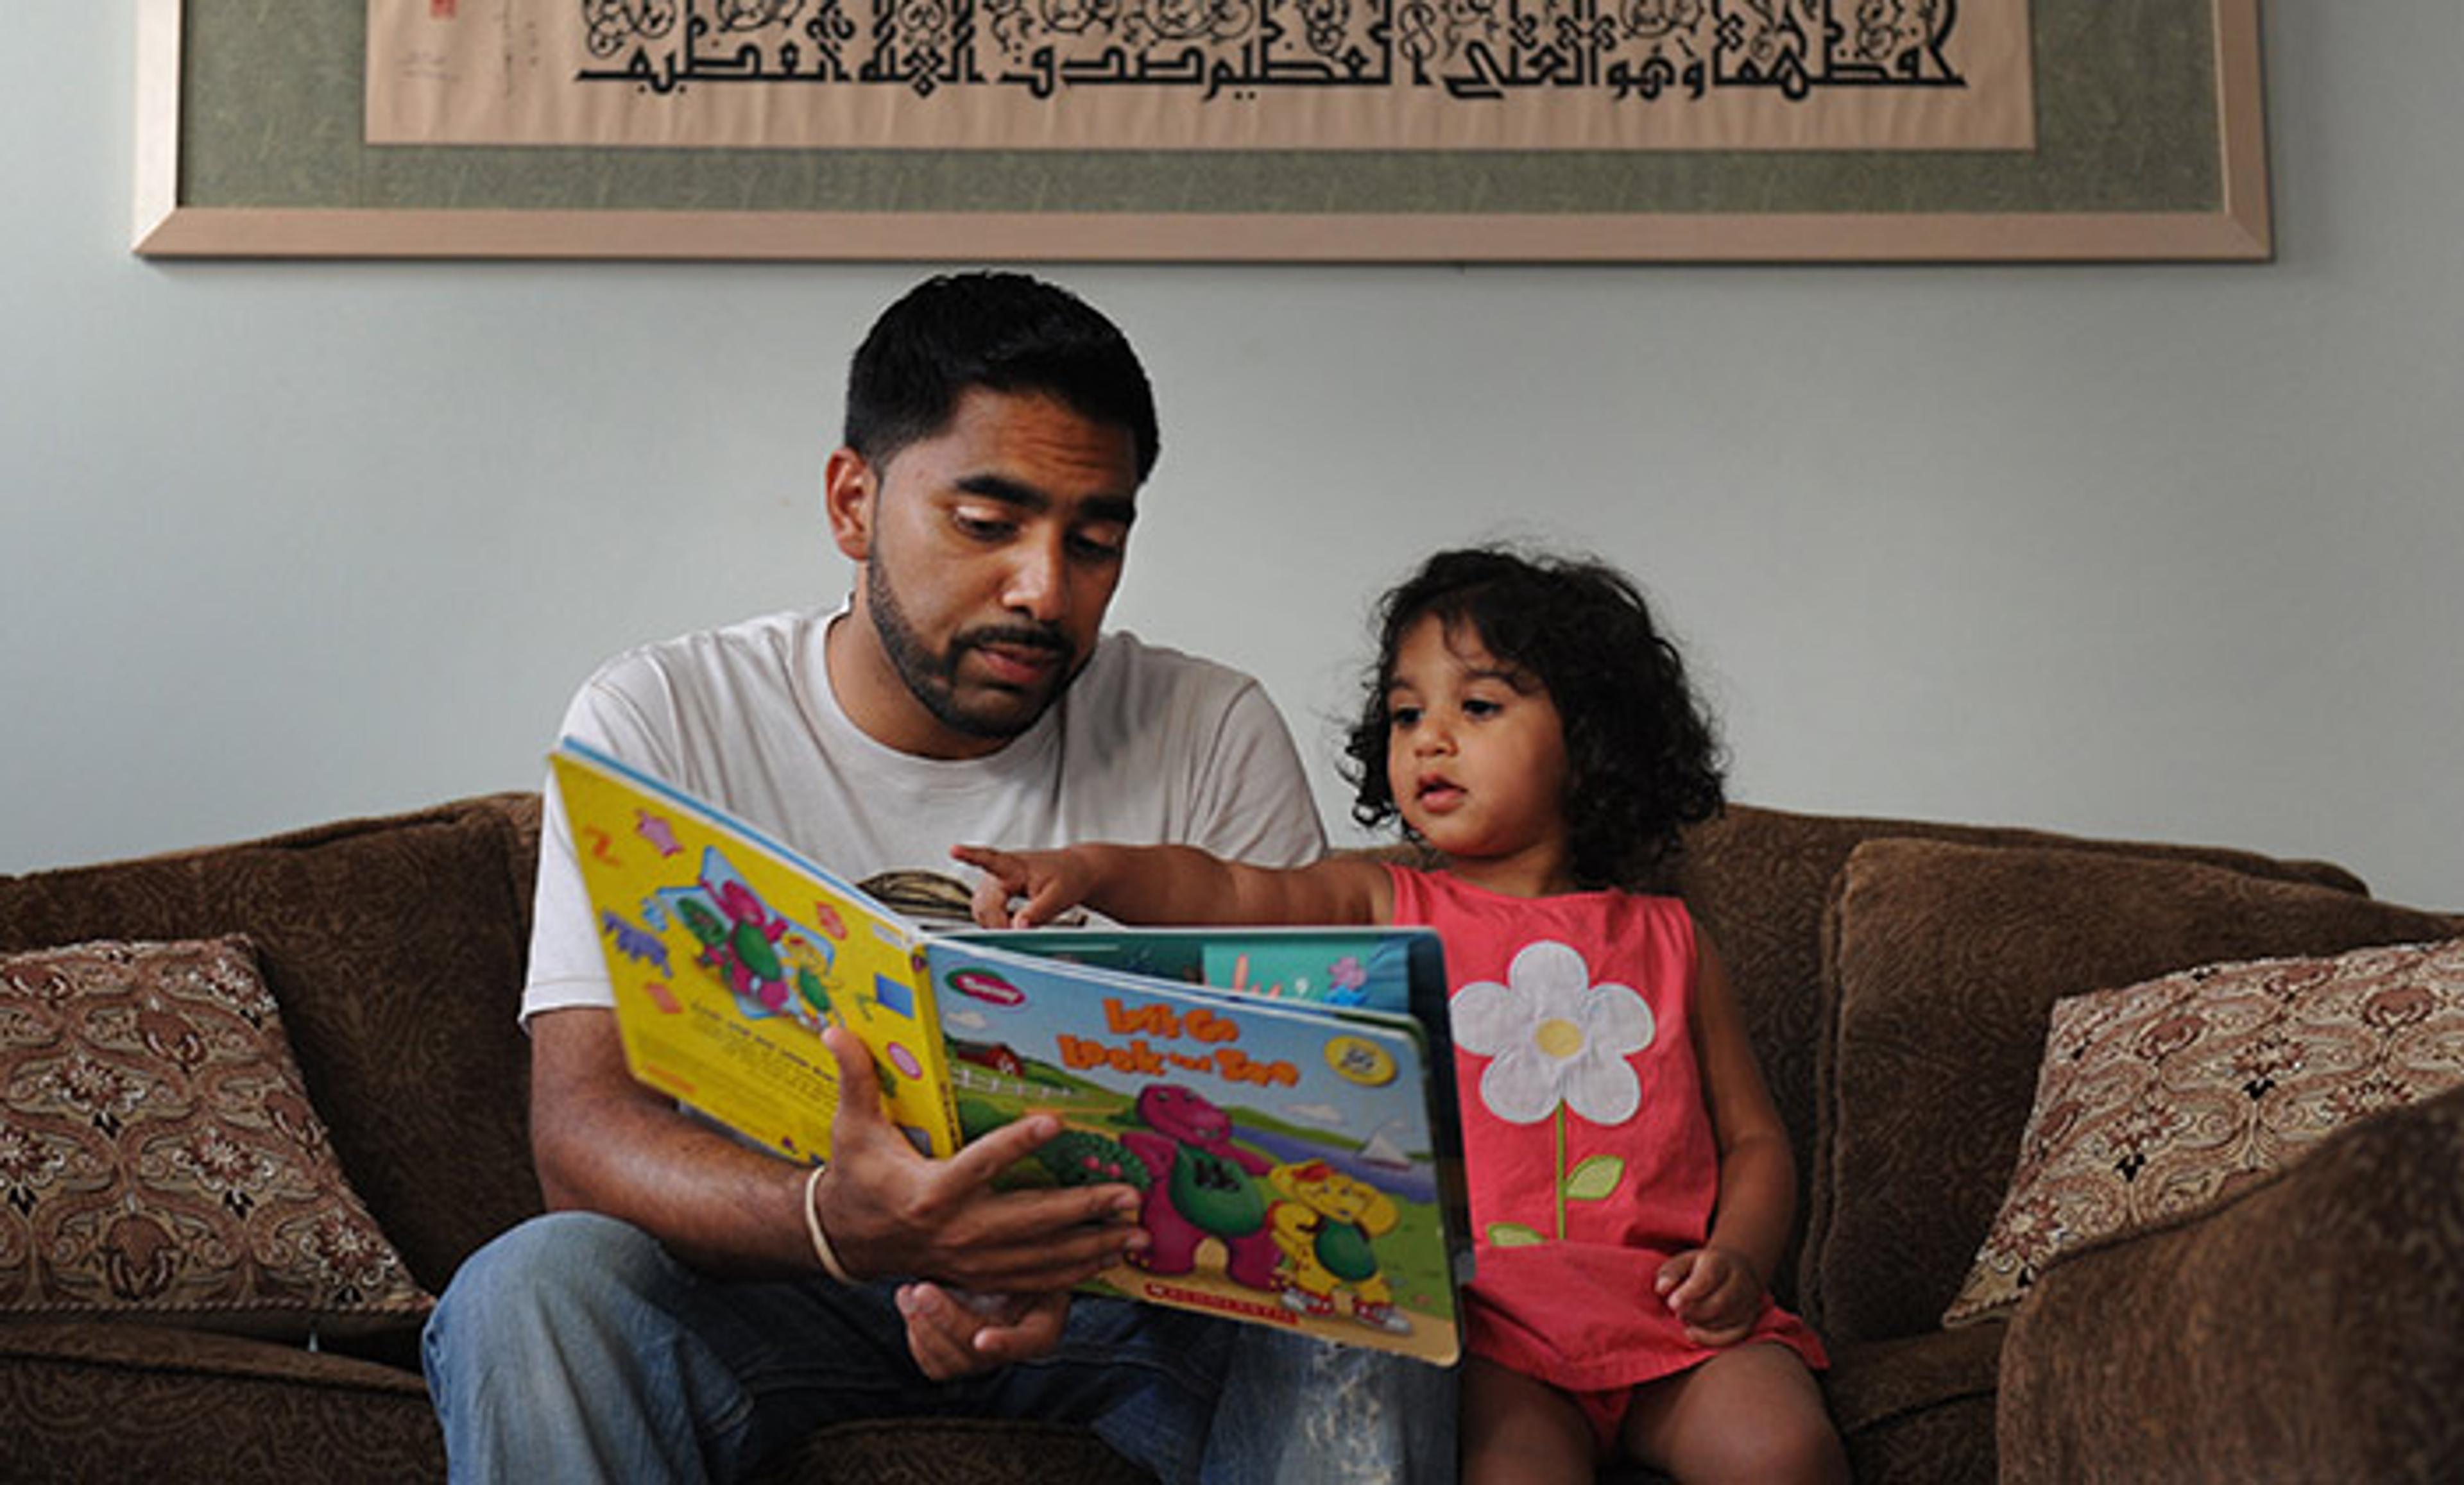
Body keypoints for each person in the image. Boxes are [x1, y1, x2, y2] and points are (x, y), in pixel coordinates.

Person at [422, 273, 1452, 1484]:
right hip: (784, 1286)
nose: (1043, 589)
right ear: (854, 501)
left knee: (1388, 1313)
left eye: (1096, 540)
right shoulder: (664, 718)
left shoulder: (1207, 726)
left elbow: (1309, 1144)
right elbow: (583, 1135)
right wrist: (840, 1224)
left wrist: (1063, 1262)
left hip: (1128, 1311)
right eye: (987, 523)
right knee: (534, 1286)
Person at [958, 546, 1850, 1484]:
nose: (1429, 739)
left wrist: (1740, 1259)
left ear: (1590, 740)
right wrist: (1095, 871)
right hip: (1493, 1335)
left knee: (1783, 1448)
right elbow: (1224, 887)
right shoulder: (1378, 905)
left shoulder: (1673, 941)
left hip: (1672, 1318)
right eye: (1406, 713)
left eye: (1479, 707)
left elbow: (1754, 1142)